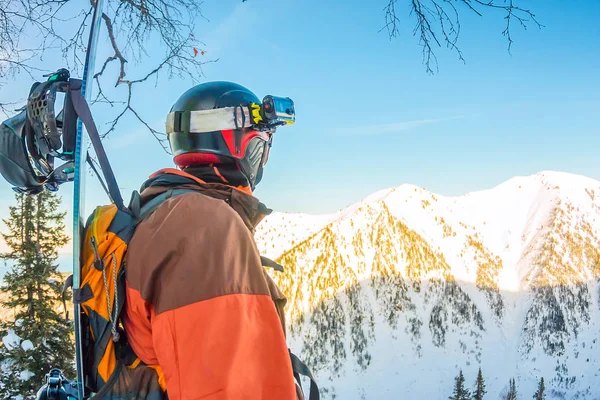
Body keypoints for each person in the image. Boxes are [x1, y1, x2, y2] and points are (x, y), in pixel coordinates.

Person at [122, 81, 301, 399]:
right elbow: (225, 388)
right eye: (261, 146)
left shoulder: (164, 211)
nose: (263, 161)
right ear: (241, 146)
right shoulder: (204, 227)